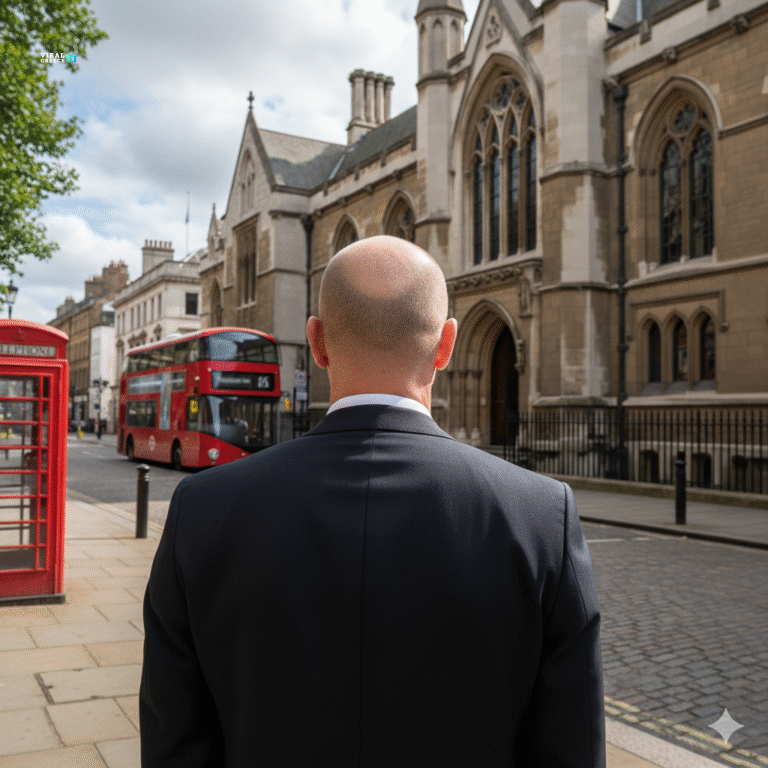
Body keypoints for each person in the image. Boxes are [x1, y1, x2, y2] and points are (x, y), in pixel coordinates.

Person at [140, 235, 605, 767]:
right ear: (446, 344)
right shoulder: (543, 515)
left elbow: (173, 748)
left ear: (317, 343)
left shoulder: (202, 509)